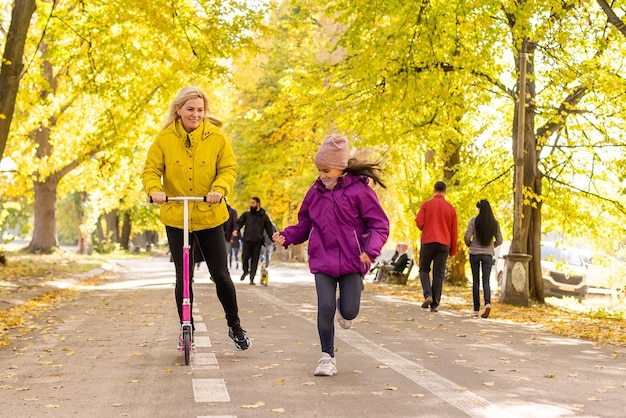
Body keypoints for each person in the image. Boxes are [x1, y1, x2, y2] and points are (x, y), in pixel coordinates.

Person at [142, 86, 251, 351]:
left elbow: (228, 169)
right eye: (190, 109)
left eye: (200, 110)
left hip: (210, 216)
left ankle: (234, 326)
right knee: (183, 277)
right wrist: (155, 190)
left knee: (221, 275)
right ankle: (185, 327)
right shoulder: (164, 139)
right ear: (178, 110)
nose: (196, 114)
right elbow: (151, 169)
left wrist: (219, 189)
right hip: (177, 217)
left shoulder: (217, 137)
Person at [273, 134, 389, 377]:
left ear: (340, 167)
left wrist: (371, 250)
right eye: (319, 169)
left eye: (327, 170)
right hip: (322, 260)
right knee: (324, 306)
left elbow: (379, 225)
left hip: (352, 262)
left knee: (349, 311)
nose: (322, 175)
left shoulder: (360, 191)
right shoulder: (315, 192)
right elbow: (304, 225)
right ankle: (327, 356)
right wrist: (288, 236)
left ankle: (343, 309)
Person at [415, 180, 458, 313]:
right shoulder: (451, 208)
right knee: (439, 273)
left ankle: (428, 295)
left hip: (428, 241)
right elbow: (454, 231)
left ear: (434, 190)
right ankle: (435, 304)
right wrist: (453, 251)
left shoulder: (426, 204)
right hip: (444, 244)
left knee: (424, 269)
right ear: (445, 192)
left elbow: (419, 223)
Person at [464, 199, 502, 318]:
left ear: (479, 209)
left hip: (474, 253)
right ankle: (487, 303)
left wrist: (470, 244)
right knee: (486, 280)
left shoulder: (474, 221)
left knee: (475, 281)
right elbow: (500, 240)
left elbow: (466, 236)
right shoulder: (494, 223)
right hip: (488, 255)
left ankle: (475, 309)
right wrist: (491, 246)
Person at [233, 197, 274, 285]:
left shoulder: (264, 216)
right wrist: (236, 229)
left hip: (257, 241)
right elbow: (239, 222)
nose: (251, 205)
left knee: (255, 260)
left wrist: (273, 238)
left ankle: (252, 278)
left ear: (258, 204)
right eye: (250, 203)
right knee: (245, 257)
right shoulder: (247, 214)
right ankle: (245, 271)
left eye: (253, 203)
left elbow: (269, 229)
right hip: (247, 240)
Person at [224, 203, 238, 269]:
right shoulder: (218, 211)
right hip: (217, 236)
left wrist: (232, 237)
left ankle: (222, 271)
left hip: (227, 237)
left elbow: (235, 225)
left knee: (224, 254)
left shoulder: (233, 212)